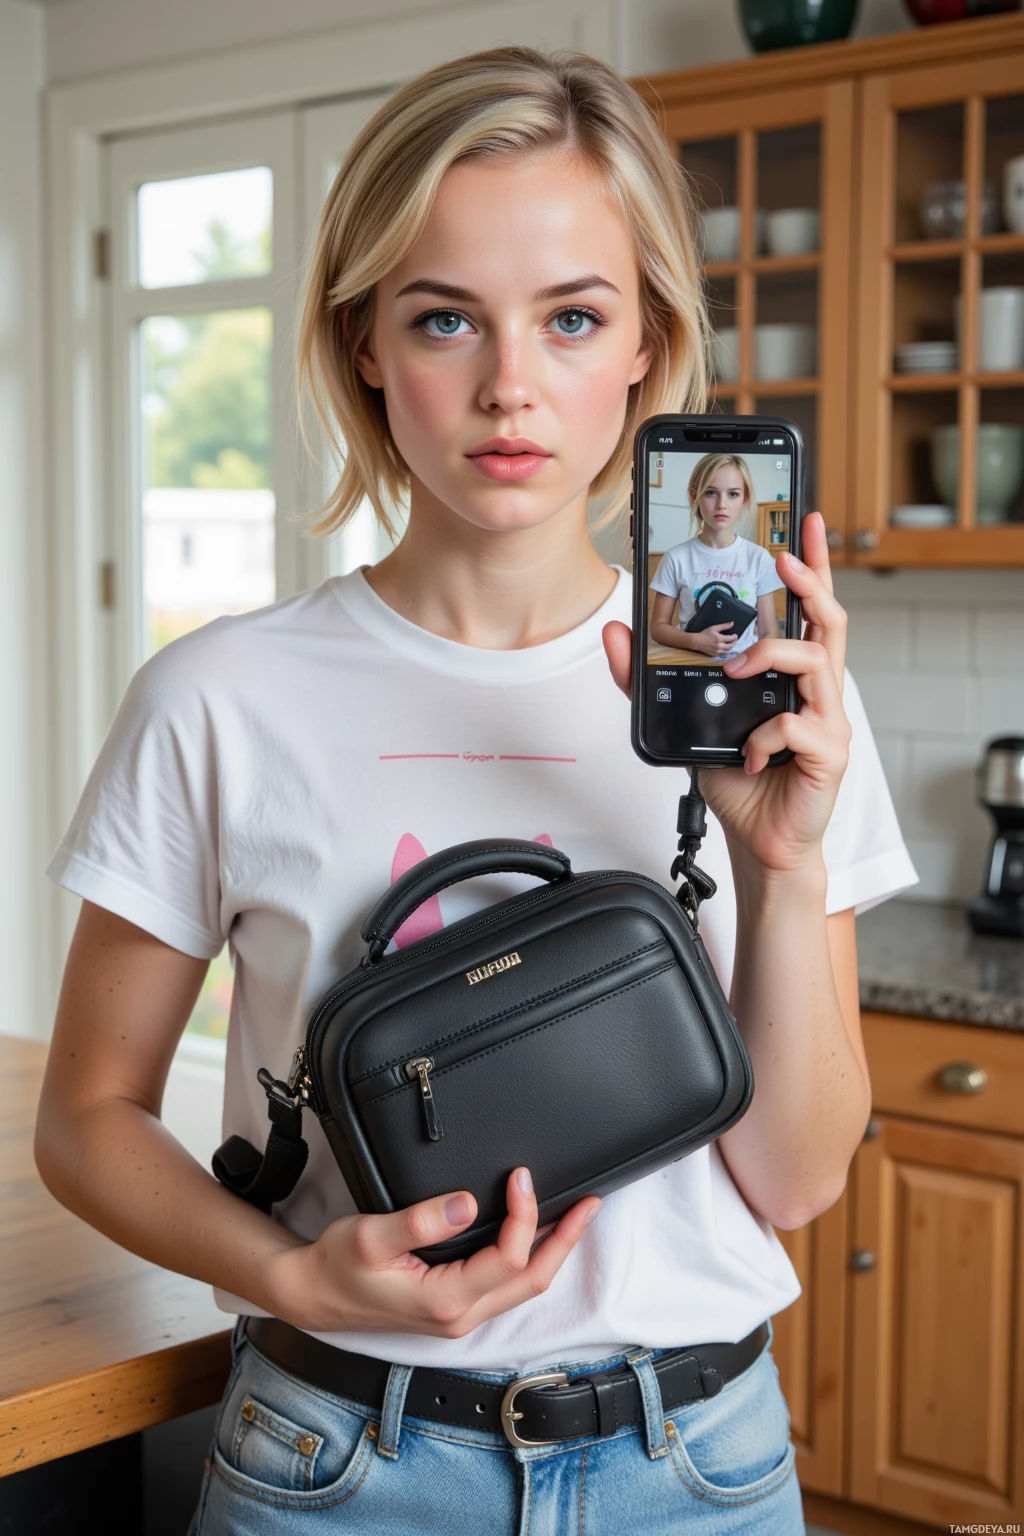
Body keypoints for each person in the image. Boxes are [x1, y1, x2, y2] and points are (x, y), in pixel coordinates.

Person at [34, 47, 917, 1535]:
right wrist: (291, 1274)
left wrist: (781, 863)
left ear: (644, 345)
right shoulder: (216, 697)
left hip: (699, 1471)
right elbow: (86, 1119)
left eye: (572, 317)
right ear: (367, 343)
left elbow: (797, 1180)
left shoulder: (774, 701)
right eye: (446, 317)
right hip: (337, 1462)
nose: (512, 385)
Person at [649, 453, 784, 661]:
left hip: (743, 665)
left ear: (744, 499)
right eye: (711, 493)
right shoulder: (675, 558)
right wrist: (696, 641)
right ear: (695, 496)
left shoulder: (759, 558)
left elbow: (769, 634)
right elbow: (658, 628)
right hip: (690, 664)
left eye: (733, 494)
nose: (721, 504)